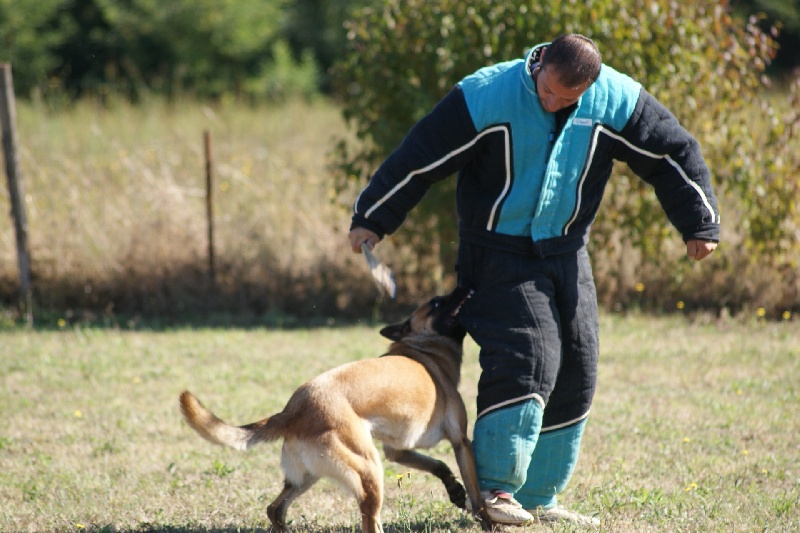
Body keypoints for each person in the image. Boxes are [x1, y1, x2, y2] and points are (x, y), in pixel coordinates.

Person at [348, 34, 719, 526]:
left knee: (577, 362)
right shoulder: (486, 95)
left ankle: (540, 496)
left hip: (566, 251)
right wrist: (372, 215)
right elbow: (420, 154)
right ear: (539, 64)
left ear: (589, 87)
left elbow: (673, 152)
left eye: (569, 100)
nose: (554, 105)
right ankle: (496, 491)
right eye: (548, 92)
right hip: (495, 252)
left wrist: (699, 221)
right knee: (528, 353)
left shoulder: (615, 99)